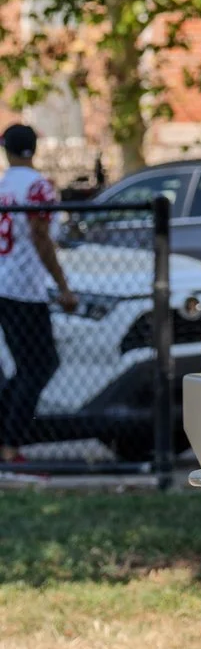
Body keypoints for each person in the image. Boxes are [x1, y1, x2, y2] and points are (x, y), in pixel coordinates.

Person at [0, 125, 78, 462]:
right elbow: (41, 238)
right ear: (35, 147)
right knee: (41, 364)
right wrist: (63, 286)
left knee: (26, 366)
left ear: (6, 148)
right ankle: (10, 443)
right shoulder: (38, 186)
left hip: (4, 283)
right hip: (25, 288)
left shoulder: (3, 185)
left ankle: (7, 437)